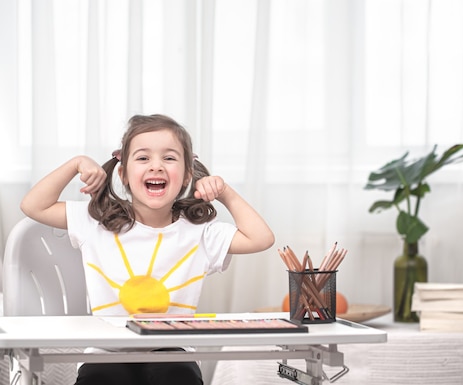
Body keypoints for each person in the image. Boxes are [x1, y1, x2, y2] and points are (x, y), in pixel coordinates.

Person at [20, 114, 275, 385]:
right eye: (143, 158)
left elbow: (261, 238)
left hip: (173, 354)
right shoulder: (97, 220)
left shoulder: (200, 231)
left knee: (175, 378)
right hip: (107, 351)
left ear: (188, 174)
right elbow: (33, 205)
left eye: (169, 158)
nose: (157, 167)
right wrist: (76, 163)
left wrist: (224, 193)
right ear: (123, 174)